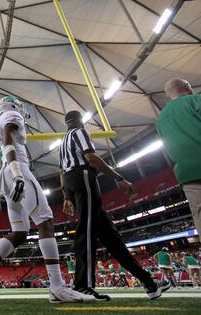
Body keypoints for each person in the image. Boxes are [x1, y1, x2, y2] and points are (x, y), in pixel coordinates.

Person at [0, 96, 95, 304]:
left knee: (19, 232)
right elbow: (9, 139)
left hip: (7, 171)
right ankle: (57, 287)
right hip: (17, 168)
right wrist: (18, 173)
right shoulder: (12, 115)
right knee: (45, 221)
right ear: (13, 106)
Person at [60, 110, 170, 301]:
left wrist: (66, 196)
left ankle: (149, 282)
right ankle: (83, 286)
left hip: (72, 180)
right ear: (79, 120)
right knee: (86, 232)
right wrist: (118, 178)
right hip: (84, 176)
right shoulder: (79, 132)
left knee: (112, 239)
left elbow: (62, 171)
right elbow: (91, 158)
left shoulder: (63, 142)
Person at [156, 78, 201, 304]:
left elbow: (167, 151)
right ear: (187, 87)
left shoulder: (162, 119)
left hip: (188, 174)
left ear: (168, 95)